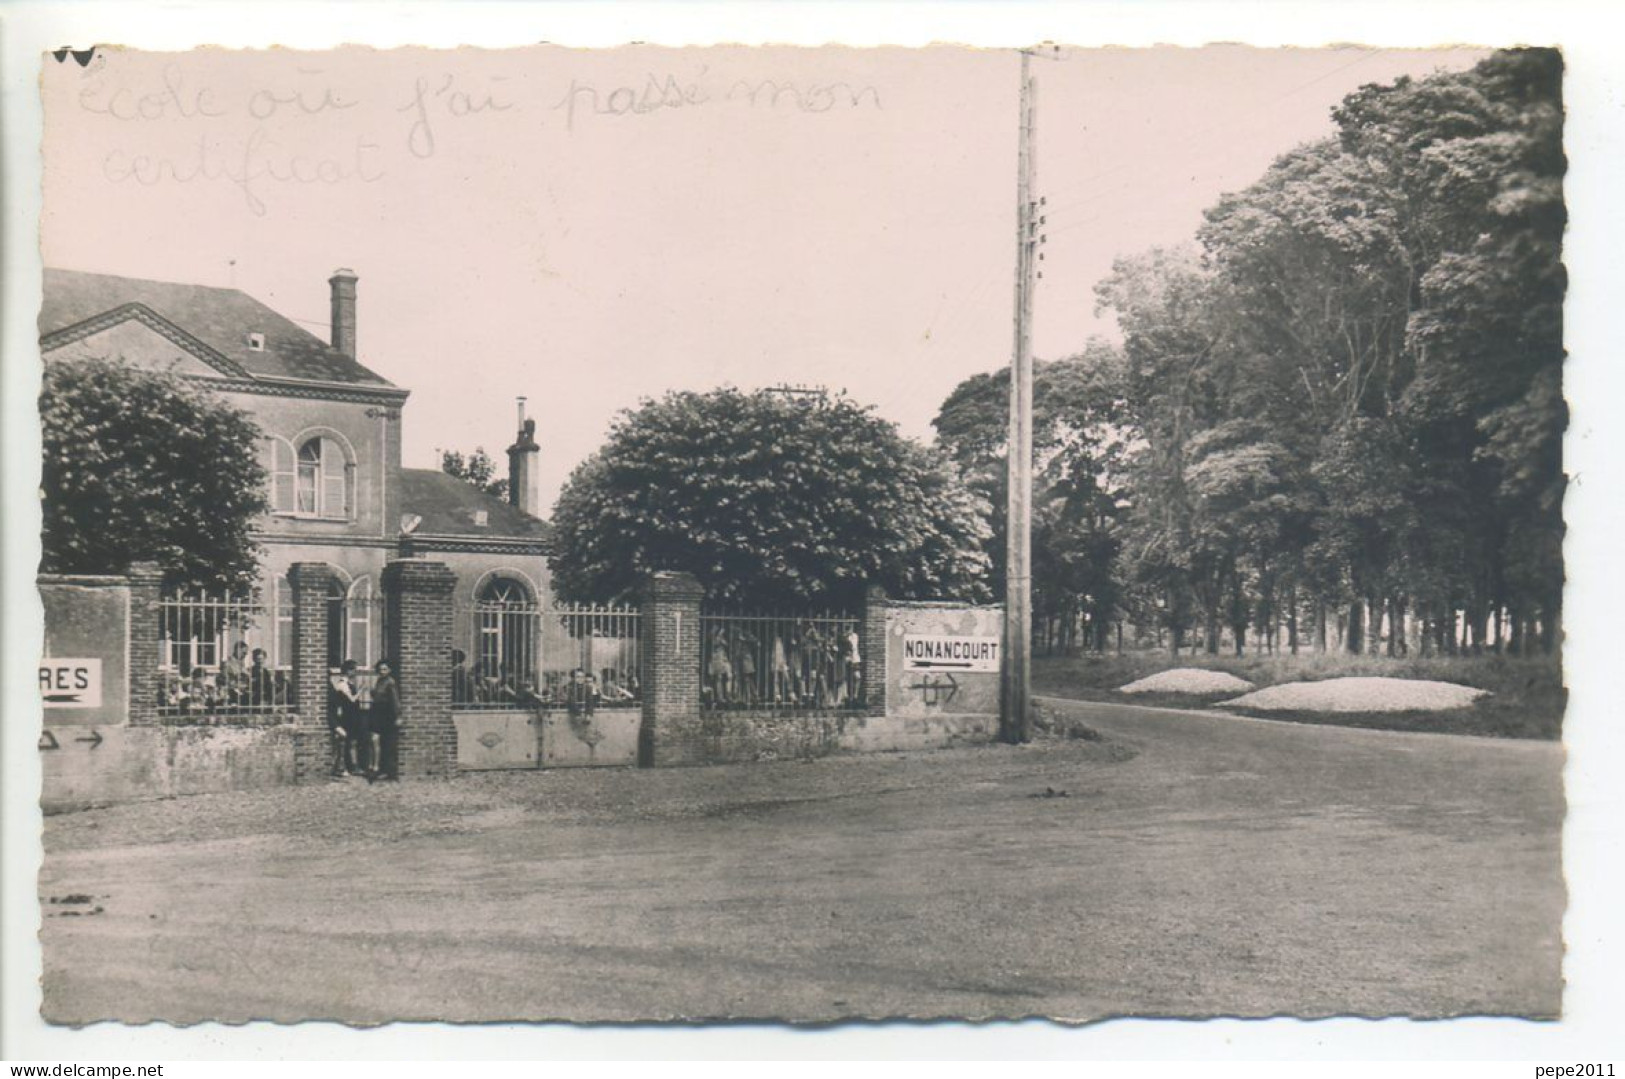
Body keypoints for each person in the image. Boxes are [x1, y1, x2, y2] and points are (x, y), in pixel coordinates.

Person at [368, 658, 401, 782]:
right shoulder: (379, 681)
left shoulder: (390, 682)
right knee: (375, 739)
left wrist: (398, 716)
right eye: (380, 669)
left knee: (387, 743)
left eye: (385, 669)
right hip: (377, 713)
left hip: (386, 714)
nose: (382, 671)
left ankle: (387, 771)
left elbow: (395, 700)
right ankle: (376, 768)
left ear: (389, 670)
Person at [328, 661, 361, 777]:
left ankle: (351, 766)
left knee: (351, 742)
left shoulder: (347, 683)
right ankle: (344, 767)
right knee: (346, 742)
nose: (355, 672)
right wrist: (361, 691)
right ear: (348, 671)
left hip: (352, 716)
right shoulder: (342, 684)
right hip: (347, 717)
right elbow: (351, 700)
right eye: (354, 670)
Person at [220, 641, 250, 707]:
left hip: (242, 693)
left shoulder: (241, 664)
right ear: (238, 650)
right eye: (244, 653)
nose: (245, 655)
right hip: (231, 694)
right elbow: (224, 679)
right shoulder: (228, 663)